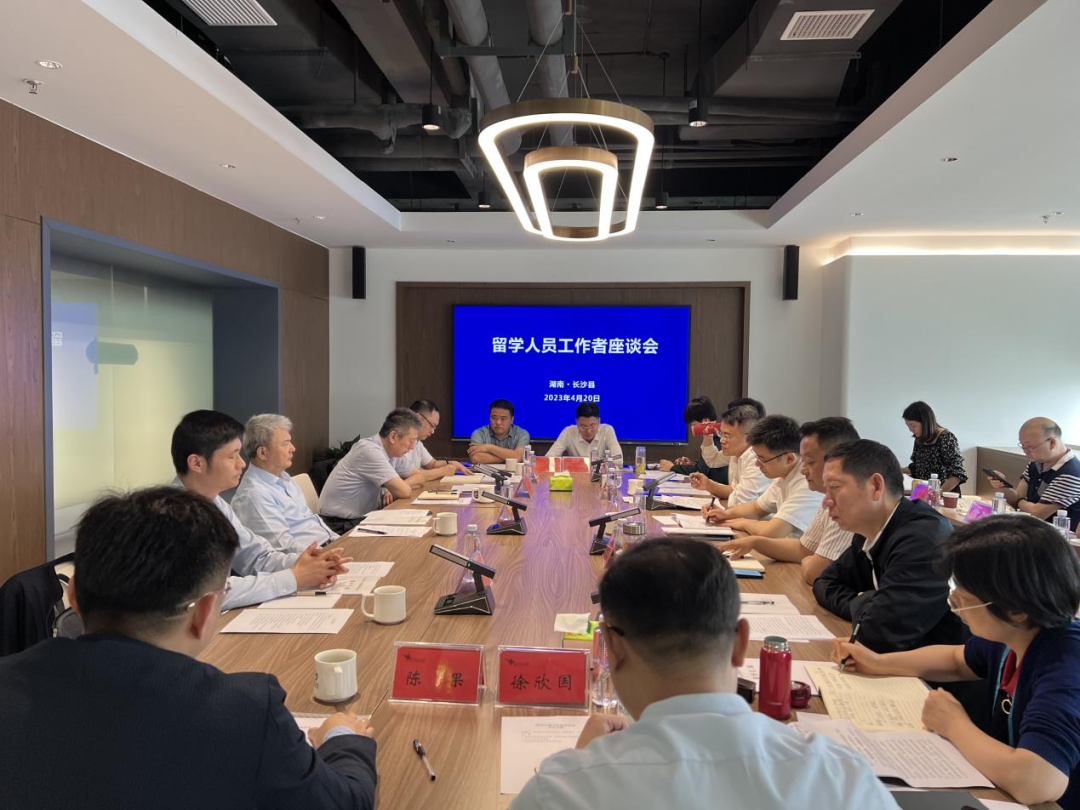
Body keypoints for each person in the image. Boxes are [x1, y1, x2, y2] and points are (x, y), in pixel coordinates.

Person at [0, 487, 377, 810]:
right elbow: (344, 802)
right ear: (205, 612)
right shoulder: (245, 712)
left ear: (73, 597)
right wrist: (343, 738)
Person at [510, 537, 898, 810]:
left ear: (612, 648)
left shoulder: (559, 792)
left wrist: (583, 765)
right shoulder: (842, 779)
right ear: (741, 642)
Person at [833, 516, 1080, 807]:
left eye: (963, 597)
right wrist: (878, 662)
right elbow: (956, 660)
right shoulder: (1016, 633)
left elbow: (1038, 781)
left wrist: (954, 724)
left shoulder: (1066, 664)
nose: (955, 603)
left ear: (1016, 610)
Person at [172, 410, 350, 609]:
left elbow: (257, 556)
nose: (242, 464)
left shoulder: (215, 503)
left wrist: (311, 564)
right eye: (232, 456)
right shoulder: (174, 517)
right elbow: (205, 593)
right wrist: (293, 578)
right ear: (197, 463)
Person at [813, 439, 966, 653]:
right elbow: (824, 583)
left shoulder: (923, 540)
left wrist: (866, 604)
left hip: (935, 672)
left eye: (835, 488)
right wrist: (867, 603)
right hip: (898, 662)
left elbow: (880, 634)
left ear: (876, 486)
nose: (826, 501)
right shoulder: (870, 530)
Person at [717, 417, 859, 585]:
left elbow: (813, 571)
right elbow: (803, 550)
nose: (803, 469)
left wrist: (742, 523)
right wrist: (754, 541)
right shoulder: (827, 499)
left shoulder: (844, 503)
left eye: (810, 462)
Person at [232, 413, 338, 554]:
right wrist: (328, 555)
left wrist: (341, 541)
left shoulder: (284, 477)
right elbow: (284, 548)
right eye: (286, 443)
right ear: (263, 453)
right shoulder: (254, 495)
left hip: (329, 546)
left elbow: (312, 521)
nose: (293, 448)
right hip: (312, 558)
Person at [703, 414, 823, 538]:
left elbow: (773, 531)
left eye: (762, 459)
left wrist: (742, 523)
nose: (757, 463)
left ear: (789, 459)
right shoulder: (784, 476)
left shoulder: (807, 483)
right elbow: (756, 508)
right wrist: (725, 514)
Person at [319, 408, 424, 529]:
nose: (412, 447)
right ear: (393, 436)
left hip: (362, 519)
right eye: (411, 441)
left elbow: (420, 477)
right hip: (339, 524)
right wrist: (399, 487)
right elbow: (404, 492)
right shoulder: (369, 451)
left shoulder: (393, 453)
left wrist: (399, 486)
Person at [990, 417, 1080, 532]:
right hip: (1031, 531)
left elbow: (1036, 514)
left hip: (1057, 538)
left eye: (1030, 447)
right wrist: (1002, 486)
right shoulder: (1036, 463)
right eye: (1023, 446)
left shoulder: (1071, 473)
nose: (1026, 452)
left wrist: (1020, 502)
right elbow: (1018, 497)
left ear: (1052, 443)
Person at [688, 402, 770, 506]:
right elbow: (734, 490)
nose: (721, 440)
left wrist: (717, 508)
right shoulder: (737, 452)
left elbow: (741, 502)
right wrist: (708, 484)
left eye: (727, 436)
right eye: (721, 434)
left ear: (750, 436)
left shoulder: (756, 459)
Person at [390, 400, 469, 483]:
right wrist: (443, 471)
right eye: (432, 425)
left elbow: (432, 464)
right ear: (418, 418)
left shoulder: (417, 442)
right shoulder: (398, 441)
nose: (432, 431)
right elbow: (412, 476)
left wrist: (451, 463)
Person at [901, 401, 967, 493]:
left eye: (913, 425)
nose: (910, 430)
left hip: (945, 494)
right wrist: (895, 469)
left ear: (925, 422)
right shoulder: (919, 440)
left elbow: (957, 474)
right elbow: (916, 468)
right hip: (923, 493)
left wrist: (938, 493)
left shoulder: (946, 438)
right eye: (908, 426)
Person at [546, 402, 623, 464]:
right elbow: (549, 458)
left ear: (599, 421)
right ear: (577, 422)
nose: (588, 431)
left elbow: (618, 460)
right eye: (583, 426)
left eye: (592, 426)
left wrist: (601, 465)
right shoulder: (568, 432)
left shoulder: (607, 430)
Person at [468, 399, 530, 464]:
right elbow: (476, 458)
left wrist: (489, 447)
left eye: (503, 419)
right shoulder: (479, 433)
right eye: (494, 418)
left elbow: (519, 457)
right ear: (489, 417)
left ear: (512, 420)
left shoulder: (522, 434)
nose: (498, 422)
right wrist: (510, 457)